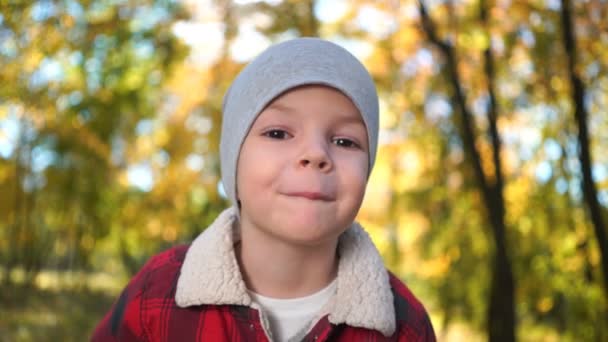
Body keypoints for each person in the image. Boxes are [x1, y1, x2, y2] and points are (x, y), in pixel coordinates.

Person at [92, 38, 436, 342]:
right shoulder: (157, 295)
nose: (315, 154)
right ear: (233, 160)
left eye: (345, 141)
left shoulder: (403, 325)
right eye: (278, 133)